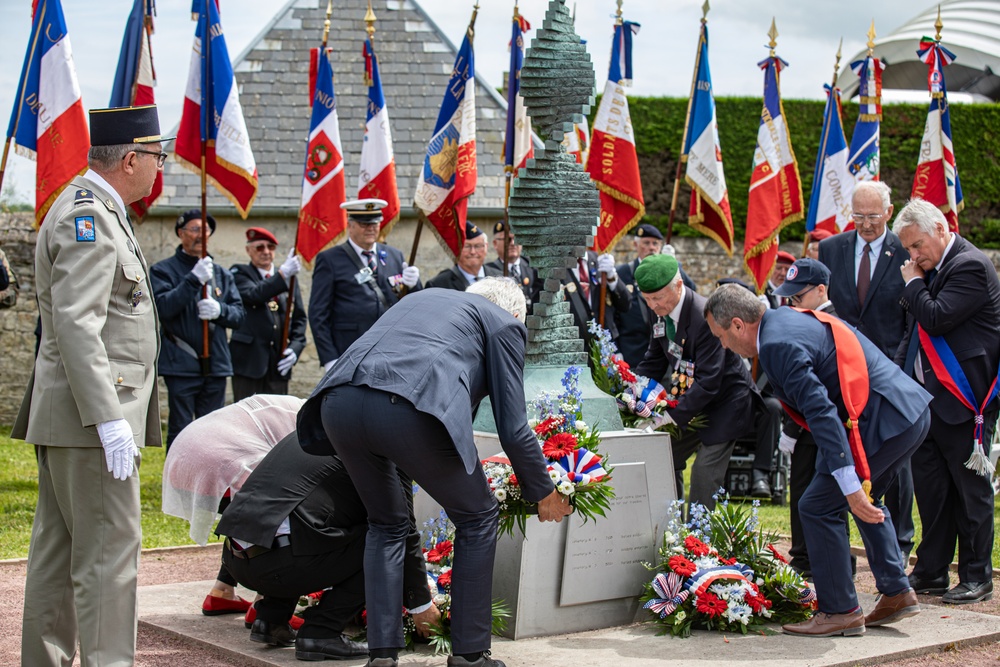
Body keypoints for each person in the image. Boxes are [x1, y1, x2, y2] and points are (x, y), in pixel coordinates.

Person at [297, 278, 573, 667]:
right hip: (405, 409)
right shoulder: (505, 323)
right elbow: (513, 427)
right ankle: (471, 655)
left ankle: (382, 656)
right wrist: (543, 490)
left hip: (338, 403)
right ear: (514, 314)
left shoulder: (426, 298)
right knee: (477, 516)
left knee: (386, 524)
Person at [12, 105, 169, 666]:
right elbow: (79, 325)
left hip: (74, 416)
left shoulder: (97, 208)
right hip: (91, 418)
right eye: (157, 156)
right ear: (130, 158)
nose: (161, 167)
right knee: (107, 560)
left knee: (57, 561)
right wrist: (108, 419)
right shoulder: (91, 215)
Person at [705, 284, 931, 637]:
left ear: (737, 325)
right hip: (904, 412)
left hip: (880, 421)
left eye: (721, 336)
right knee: (864, 500)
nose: (723, 346)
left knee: (817, 506)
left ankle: (840, 609)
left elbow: (821, 411)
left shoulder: (776, 346)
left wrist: (848, 482)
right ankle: (896, 591)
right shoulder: (783, 320)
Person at [217, 429, 439, 660]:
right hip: (282, 566)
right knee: (384, 540)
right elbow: (403, 531)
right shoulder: (386, 441)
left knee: (308, 518)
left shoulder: (315, 427)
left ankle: (271, 620)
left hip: (235, 561)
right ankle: (321, 633)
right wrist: (420, 604)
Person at [894, 198, 1000, 605]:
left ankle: (978, 575)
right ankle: (932, 570)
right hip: (928, 400)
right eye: (908, 250)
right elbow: (916, 329)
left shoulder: (970, 265)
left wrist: (912, 282)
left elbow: (936, 317)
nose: (913, 256)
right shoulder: (932, 269)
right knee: (933, 490)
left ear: (940, 229)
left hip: (965, 400)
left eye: (917, 245)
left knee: (970, 493)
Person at [818, 180, 914, 561]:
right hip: (842, 369)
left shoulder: (903, 250)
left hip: (889, 372)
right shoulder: (832, 248)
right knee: (842, 455)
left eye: (873, 216)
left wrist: (899, 368)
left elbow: (911, 318)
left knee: (896, 460)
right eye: (858, 216)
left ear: (889, 212)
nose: (866, 224)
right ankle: (843, 547)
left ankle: (902, 544)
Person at [632, 254, 758, 510]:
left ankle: (699, 544)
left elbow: (710, 380)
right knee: (664, 456)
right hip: (692, 399)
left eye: (658, 298)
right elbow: (654, 360)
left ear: (678, 285)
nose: (653, 305)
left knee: (703, 473)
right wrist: (632, 390)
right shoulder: (660, 314)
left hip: (726, 402)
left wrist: (670, 416)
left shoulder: (703, 316)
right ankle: (670, 525)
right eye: (647, 300)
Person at [162, 394, 306, 619]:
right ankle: (264, 604)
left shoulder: (288, 405)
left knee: (240, 513)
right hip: (218, 463)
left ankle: (222, 590)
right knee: (285, 510)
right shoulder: (305, 418)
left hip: (183, 458)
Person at [772, 258, 855, 579]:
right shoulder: (811, 321)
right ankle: (805, 556)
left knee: (826, 497)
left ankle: (831, 561)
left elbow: (814, 385)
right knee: (801, 490)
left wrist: (792, 426)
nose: (792, 305)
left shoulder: (831, 324)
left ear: (821, 290)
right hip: (809, 425)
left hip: (825, 426)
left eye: (798, 298)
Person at [151, 209, 245, 448]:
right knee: (181, 428)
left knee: (213, 430)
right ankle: (176, 480)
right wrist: (192, 280)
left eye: (205, 230)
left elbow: (239, 315)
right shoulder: (163, 271)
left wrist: (219, 311)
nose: (201, 236)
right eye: (194, 230)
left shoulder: (221, 274)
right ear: (181, 234)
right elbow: (163, 308)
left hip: (215, 363)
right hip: (181, 362)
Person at [308, 198, 420, 372]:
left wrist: (414, 285)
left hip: (390, 351)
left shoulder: (394, 255)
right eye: (364, 223)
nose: (371, 228)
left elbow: (409, 303)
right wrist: (329, 358)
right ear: (350, 225)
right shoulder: (330, 259)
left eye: (375, 223)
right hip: (350, 350)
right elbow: (318, 314)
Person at [229, 227, 307, 400]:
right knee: (247, 416)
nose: (266, 252)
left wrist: (295, 349)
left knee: (276, 417)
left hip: (278, 362)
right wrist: (283, 273)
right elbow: (254, 294)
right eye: (260, 247)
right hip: (249, 361)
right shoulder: (240, 273)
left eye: (270, 247)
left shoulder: (289, 278)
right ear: (248, 250)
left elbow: (299, 318)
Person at [613, 223, 665, 368]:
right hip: (631, 351)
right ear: (636, 245)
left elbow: (689, 289)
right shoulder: (623, 273)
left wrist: (676, 266)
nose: (652, 247)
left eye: (655, 243)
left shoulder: (666, 274)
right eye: (646, 243)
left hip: (661, 354)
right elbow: (613, 314)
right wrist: (615, 349)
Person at [564, 248, 630, 352]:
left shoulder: (600, 261)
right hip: (572, 348)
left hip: (605, 347)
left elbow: (625, 304)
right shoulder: (556, 265)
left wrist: (612, 278)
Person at [427, 222, 502, 290]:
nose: (473, 252)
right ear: (456, 249)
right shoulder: (438, 285)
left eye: (478, 246)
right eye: (467, 246)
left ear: (486, 247)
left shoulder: (500, 279)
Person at [486, 221, 540, 307]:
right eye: (507, 239)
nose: (513, 243)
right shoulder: (490, 272)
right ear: (495, 244)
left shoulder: (533, 266)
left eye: (517, 239)